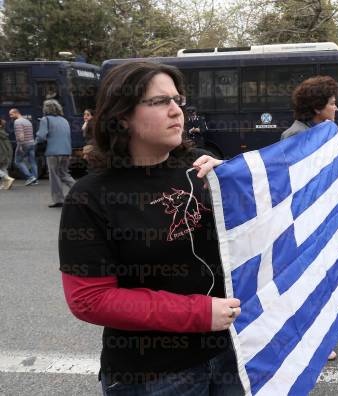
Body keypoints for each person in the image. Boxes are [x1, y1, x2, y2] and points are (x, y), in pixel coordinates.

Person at [58, 61, 243, 396]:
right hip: (153, 374)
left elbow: (256, 226)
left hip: (231, 353)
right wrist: (197, 313)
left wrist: (240, 180)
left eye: (177, 100)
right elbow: (89, 299)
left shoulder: (202, 168)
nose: (176, 111)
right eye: (159, 102)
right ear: (122, 116)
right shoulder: (90, 196)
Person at [281, 75, 338, 360]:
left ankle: (330, 322)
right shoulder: (295, 136)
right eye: (332, 104)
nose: (336, 108)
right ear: (316, 107)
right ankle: (317, 340)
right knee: (311, 276)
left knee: (329, 268)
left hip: (323, 218)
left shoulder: (321, 130)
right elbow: (298, 183)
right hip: (306, 221)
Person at [35, 99, 76, 208]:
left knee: (54, 176)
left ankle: (58, 200)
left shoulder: (45, 119)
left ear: (46, 109)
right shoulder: (64, 120)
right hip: (66, 151)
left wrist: (36, 139)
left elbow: (41, 136)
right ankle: (80, 192)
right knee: (64, 174)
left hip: (53, 152)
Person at [8, 108, 38, 186]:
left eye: (11, 114)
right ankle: (35, 180)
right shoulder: (27, 121)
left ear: (16, 113)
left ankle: (30, 177)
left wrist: (20, 145)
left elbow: (20, 135)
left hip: (24, 144)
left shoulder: (17, 122)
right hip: (32, 143)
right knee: (32, 162)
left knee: (18, 161)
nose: (10, 116)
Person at [0, 119, 15, 190]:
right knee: (3, 168)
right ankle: (6, 184)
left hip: (2, 154)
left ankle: (7, 178)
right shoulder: (4, 133)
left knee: (3, 169)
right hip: (7, 154)